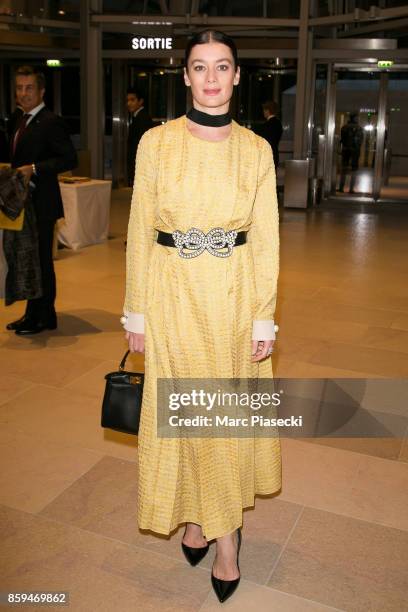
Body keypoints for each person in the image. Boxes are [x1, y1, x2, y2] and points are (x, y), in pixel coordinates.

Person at [122, 30, 281, 603]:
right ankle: (196, 515)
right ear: (184, 76)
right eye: (199, 67)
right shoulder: (155, 143)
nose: (211, 79)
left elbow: (266, 240)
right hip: (170, 297)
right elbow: (140, 228)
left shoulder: (256, 150)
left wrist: (264, 317)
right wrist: (134, 311)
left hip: (235, 299)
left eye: (222, 67)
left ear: (237, 76)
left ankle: (227, 538)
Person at [5, 65, 77, 335]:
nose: (23, 94)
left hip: (42, 204)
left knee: (42, 261)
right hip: (21, 204)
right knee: (28, 261)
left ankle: (46, 315)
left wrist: (34, 168)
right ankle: (31, 313)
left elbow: (70, 159)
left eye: (29, 88)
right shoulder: (17, 120)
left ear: (41, 91)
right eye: (19, 88)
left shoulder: (50, 121)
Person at [126, 87, 153, 186]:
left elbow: (141, 144)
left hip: (141, 164)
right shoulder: (138, 116)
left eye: (132, 100)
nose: (129, 103)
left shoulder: (142, 118)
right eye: (127, 100)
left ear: (140, 101)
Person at [338, 112, 364, 194]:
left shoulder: (344, 128)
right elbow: (360, 141)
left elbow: (342, 140)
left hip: (345, 150)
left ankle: (341, 187)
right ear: (355, 118)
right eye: (357, 118)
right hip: (355, 152)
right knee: (354, 170)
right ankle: (351, 189)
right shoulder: (359, 128)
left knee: (344, 169)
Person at [257, 100, 283, 168]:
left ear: (267, 111)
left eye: (264, 110)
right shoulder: (278, 124)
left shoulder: (267, 125)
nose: (263, 112)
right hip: (275, 154)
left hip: (267, 156)